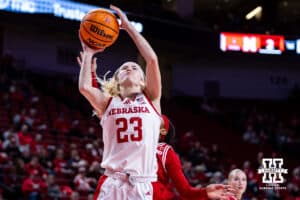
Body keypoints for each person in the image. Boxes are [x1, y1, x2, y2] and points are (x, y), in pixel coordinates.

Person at [77, 5, 163, 200]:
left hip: (141, 184)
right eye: (124, 68)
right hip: (112, 183)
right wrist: (89, 51)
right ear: (116, 79)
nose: (130, 68)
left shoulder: (151, 99)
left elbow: (152, 60)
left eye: (134, 67)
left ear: (143, 80)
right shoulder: (108, 103)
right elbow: (85, 88)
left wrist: (130, 28)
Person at [157, 115, 236, 200]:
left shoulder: (165, 152)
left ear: (163, 131)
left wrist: (205, 192)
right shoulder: (144, 147)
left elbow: (186, 192)